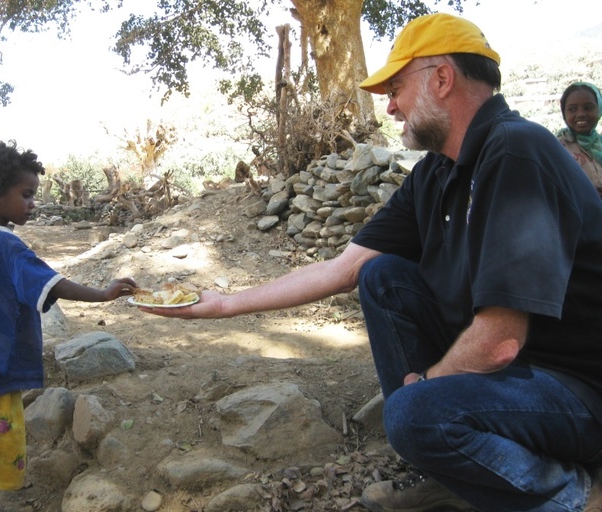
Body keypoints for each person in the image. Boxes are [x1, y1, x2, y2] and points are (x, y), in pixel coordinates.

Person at [142, 13, 602, 512]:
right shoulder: (436, 173)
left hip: (578, 393)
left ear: (442, 79)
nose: (391, 106)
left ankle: (573, 495)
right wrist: (221, 305)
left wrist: (427, 388)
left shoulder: (517, 149)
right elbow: (342, 268)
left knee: (411, 416)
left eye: (397, 88)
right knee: (382, 276)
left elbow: (500, 340)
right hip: (522, 379)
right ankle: (457, 475)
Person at [0, 140, 137, 512]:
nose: (33, 203)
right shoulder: (7, 247)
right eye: (27, 195)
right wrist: (103, 294)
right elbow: (54, 284)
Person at [556, 81, 602, 196]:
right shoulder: (557, 148)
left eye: (588, 108)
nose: (581, 114)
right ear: (564, 112)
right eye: (572, 109)